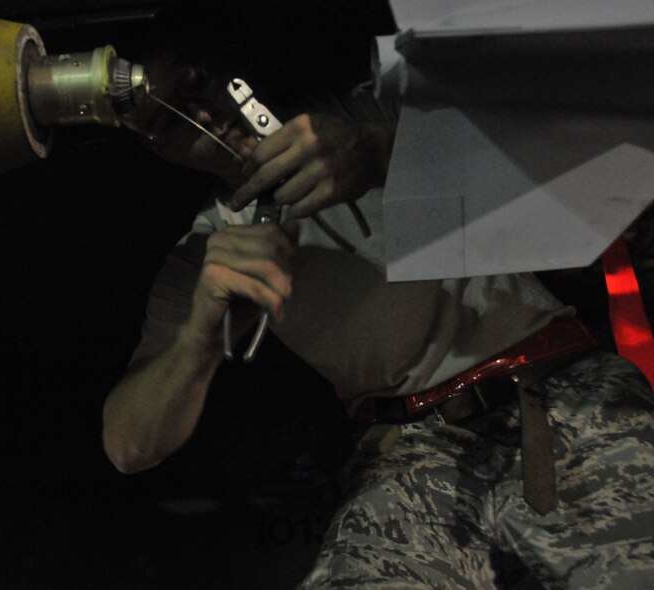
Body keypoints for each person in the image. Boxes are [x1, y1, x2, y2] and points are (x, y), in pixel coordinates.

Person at [101, 43, 654, 588]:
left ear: (230, 65)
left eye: (196, 83)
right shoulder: (206, 252)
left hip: (559, 386)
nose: (197, 115)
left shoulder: (373, 103)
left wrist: (383, 149)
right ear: (160, 152)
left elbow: (604, 159)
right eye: (167, 122)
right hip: (414, 449)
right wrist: (202, 332)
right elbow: (128, 445)